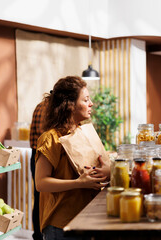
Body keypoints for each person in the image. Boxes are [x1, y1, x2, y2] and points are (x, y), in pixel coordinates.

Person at [35, 76, 110, 240]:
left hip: (85, 218)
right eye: (86, 100)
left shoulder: (83, 132)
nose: (91, 104)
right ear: (69, 105)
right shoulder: (51, 138)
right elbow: (41, 183)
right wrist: (79, 183)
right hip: (61, 225)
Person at [29, 100, 46, 240]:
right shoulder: (47, 107)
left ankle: (38, 235)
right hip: (41, 155)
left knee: (39, 197)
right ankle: (39, 236)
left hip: (36, 154)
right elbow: (44, 133)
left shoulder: (40, 105)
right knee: (41, 197)